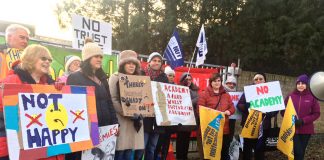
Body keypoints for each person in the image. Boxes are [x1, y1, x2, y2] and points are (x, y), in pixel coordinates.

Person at [0, 44, 64, 160]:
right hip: (20, 148)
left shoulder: (49, 84)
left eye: (49, 60)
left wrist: (61, 90)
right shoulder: (11, 81)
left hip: (45, 148)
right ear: (31, 58)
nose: (48, 62)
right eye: (43, 58)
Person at [65, 39, 118, 160]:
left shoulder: (102, 79)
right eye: (95, 56)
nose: (99, 59)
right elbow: (72, 107)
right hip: (85, 132)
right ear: (87, 58)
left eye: (100, 56)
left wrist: (115, 125)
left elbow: (109, 102)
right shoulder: (75, 77)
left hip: (105, 130)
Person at [108, 50, 144, 160]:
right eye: (129, 63)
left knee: (129, 150)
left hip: (135, 120)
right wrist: (126, 113)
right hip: (121, 120)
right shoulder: (115, 77)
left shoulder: (139, 79)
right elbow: (113, 99)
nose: (131, 66)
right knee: (120, 151)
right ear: (123, 64)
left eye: (134, 64)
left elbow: (142, 98)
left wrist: (143, 110)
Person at [237, 72, 277, 160]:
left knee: (260, 150)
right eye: (256, 79)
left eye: (260, 79)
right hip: (249, 125)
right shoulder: (248, 92)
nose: (258, 80)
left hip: (263, 126)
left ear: (265, 81)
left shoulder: (271, 92)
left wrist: (267, 113)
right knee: (247, 149)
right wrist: (249, 107)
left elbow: (276, 109)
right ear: (253, 81)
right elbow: (239, 105)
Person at [197, 73, 235, 160]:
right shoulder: (204, 94)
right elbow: (200, 111)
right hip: (211, 129)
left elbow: (232, 107)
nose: (217, 83)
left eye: (219, 81)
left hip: (224, 130)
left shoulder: (226, 95)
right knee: (211, 154)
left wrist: (229, 111)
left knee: (224, 153)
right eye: (214, 81)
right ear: (210, 82)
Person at [282, 74, 320, 160]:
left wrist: (303, 120)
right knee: (297, 151)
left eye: (303, 83)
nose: (300, 85)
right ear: (296, 85)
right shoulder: (290, 96)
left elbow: (316, 113)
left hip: (306, 129)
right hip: (292, 129)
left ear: (307, 85)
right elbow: (283, 111)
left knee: (301, 153)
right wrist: (290, 118)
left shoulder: (312, 97)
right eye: (298, 83)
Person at [139, 52, 168, 160]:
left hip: (158, 119)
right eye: (154, 60)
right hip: (145, 117)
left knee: (152, 147)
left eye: (159, 61)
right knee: (142, 147)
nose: (157, 63)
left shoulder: (164, 77)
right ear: (149, 62)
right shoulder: (141, 74)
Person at [154, 66, 176, 160]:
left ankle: (164, 157)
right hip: (159, 120)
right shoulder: (158, 86)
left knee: (166, 142)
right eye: (169, 75)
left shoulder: (176, 88)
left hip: (170, 120)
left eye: (173, 76)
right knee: (157, 143)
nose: (171, 77)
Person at [176, 73, 199, 160]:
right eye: (186, 79)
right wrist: (196, 99)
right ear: (182, 80)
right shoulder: (178, 89)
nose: (188, 81)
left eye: (190, 79)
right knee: (180, 140)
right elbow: (183, 102)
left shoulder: (195, 90)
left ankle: (184, 157)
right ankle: (179, 157)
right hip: (181, 119)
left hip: (190, 119)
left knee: (186, 141)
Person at [223, 76, 238, 142]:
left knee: (229, 137)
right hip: (222, 117)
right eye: (230, 83)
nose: (232, 85)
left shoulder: (237, 94)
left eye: (234, 84)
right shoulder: (221, 92)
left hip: (232, 118)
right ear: (226, 83)